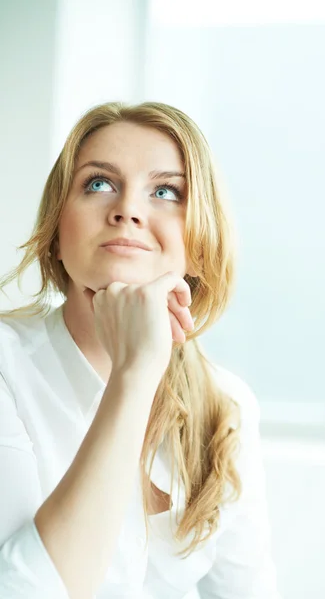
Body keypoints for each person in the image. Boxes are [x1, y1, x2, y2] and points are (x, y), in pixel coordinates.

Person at [0, 101, 281, 599]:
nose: (127, 209)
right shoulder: (7, 367)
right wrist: (134, 376)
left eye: (165, 191)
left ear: (197, 242)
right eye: (99, 183)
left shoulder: (227, 404)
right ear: (56, 234)